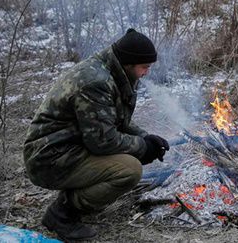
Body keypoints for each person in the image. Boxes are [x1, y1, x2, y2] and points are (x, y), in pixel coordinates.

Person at [24, 29, 169, 241]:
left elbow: (114, 120)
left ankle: (76, 199)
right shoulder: (96, 82)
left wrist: (147, 138)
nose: (146, 72)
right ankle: (62, 213)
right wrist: (142, 147)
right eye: (144, 67)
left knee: (128, 159)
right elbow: (103, 141)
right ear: (129, 62)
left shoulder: (112, 71)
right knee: (129, 170)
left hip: (68, 148)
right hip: (49, 157)